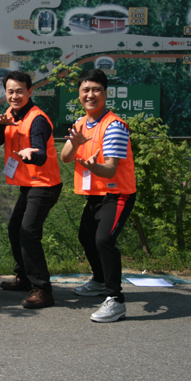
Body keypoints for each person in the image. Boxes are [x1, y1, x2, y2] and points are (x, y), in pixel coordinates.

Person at [60, 69, 137, 323]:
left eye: (96, 90)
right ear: (79, 94)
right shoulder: (80, 123)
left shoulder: (114, 126)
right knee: (86, 237)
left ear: (105, 93)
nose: (90, 95)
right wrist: (76, 143)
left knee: (104, 241)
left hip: (117, 194)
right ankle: (100, 280)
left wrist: (93, 167)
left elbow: (111, 169)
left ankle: (116, 299)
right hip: (95, 194)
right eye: (85, 90)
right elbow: (65, 157)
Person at [0, 71, 62, 309]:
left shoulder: (37, 119)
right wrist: (0, 125)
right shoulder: (10, 114)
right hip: (29, 185)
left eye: (20, 91)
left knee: (28, 232)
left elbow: (40, 154)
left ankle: (42, 289)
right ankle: (24, 277)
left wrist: (32, 153)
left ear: (30, 91)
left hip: (44, 184)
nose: (15, 96)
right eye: (10, 92)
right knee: (15, 229)